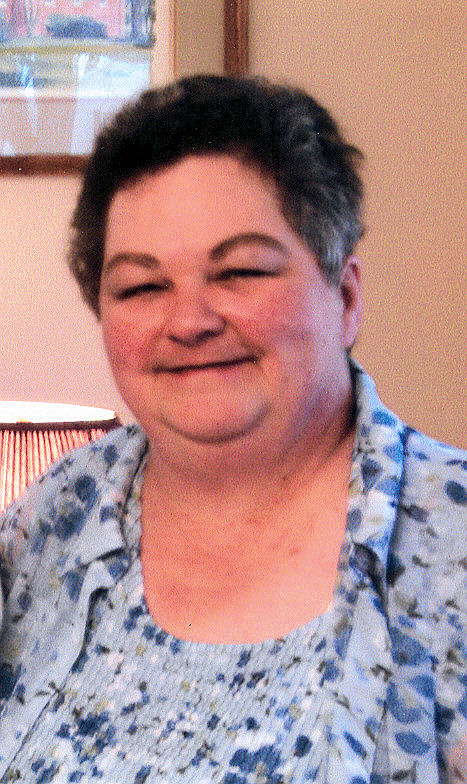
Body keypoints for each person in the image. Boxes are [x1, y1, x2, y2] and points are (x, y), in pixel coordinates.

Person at [0, 75, 465, 783]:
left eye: (241, 271)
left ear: (344, 298)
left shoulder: (450, 541)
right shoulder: (55, 519)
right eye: (142, 286)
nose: (189, 322)